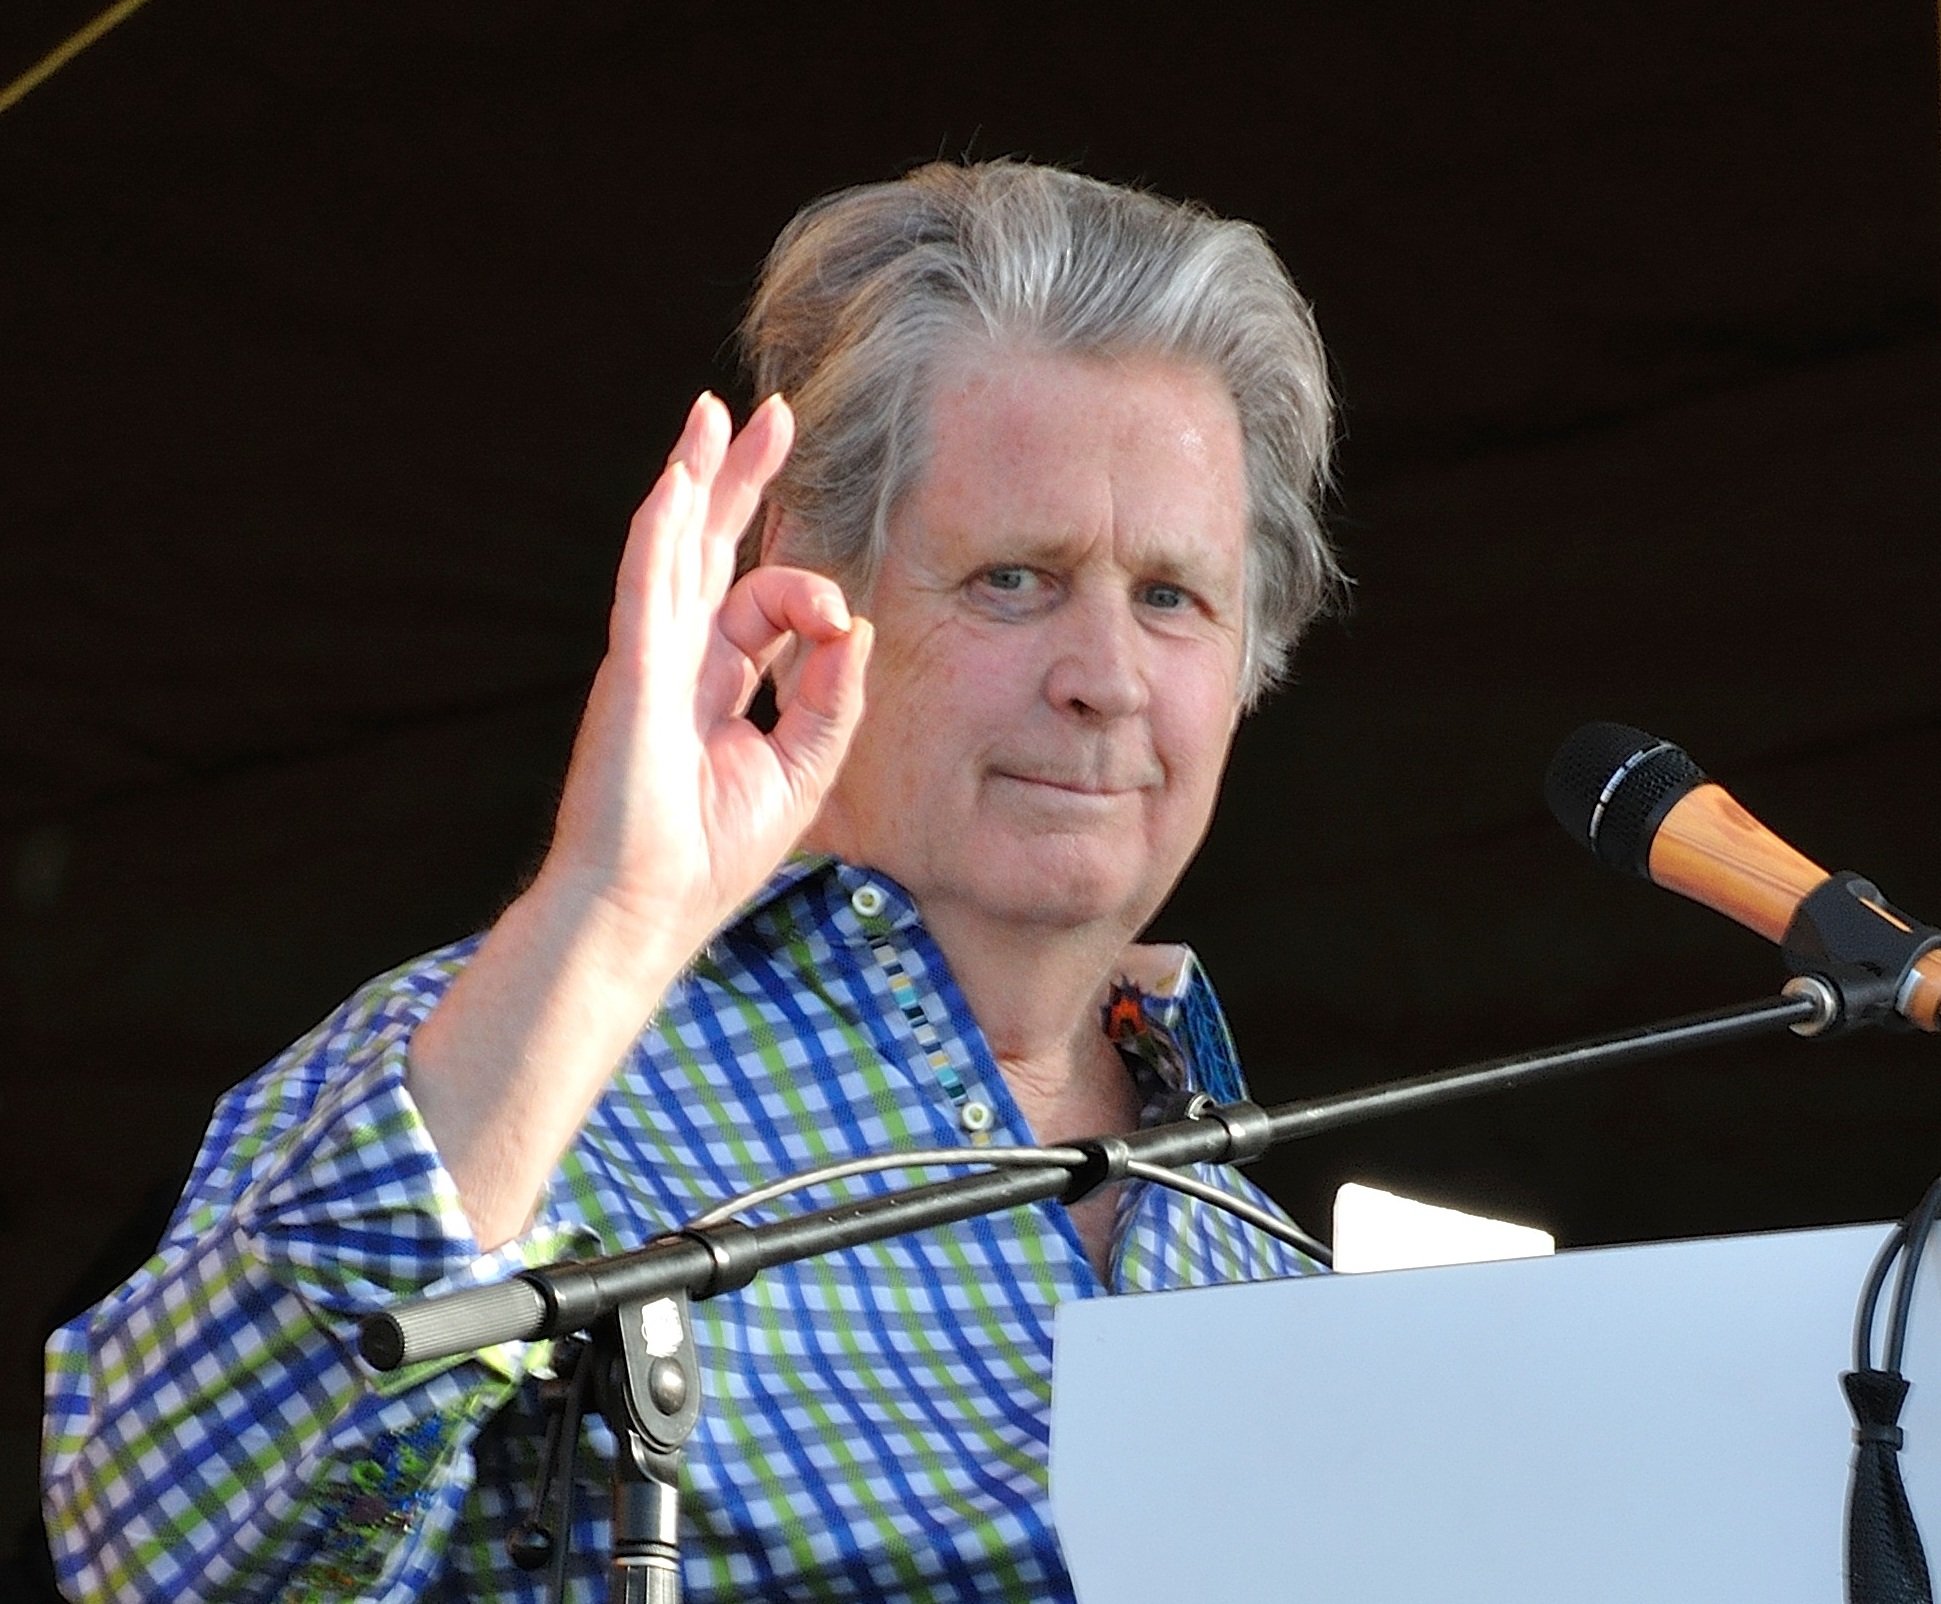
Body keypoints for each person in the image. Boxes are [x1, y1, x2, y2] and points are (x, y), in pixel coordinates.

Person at [43, 159, 1342, 1603]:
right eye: (1013, 579)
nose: (1104, 678)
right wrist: (606, 920)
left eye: (1169, 597)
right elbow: (154, 1556)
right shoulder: (513, 1070)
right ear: (810, 593)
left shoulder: (1274, 1275)